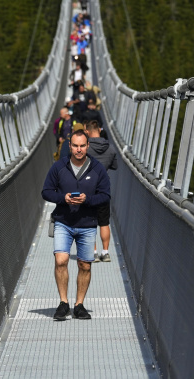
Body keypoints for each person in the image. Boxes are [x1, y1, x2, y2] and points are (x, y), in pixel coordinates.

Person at [41, 129, 110, 321]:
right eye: (75, 146)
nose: (79, 150)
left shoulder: (98, 169)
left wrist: (87, 200)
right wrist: (63, 198)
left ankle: (79, 305)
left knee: (85, 266)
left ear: (88, 146)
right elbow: (46, 192)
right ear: (69, 146)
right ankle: (63, 303)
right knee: (61, 260)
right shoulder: (58, 167)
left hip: (87, 224)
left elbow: (105, 196)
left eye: (82, 146)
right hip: (63, 221)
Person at [84, 119, 117, 262]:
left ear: (87, 131)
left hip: (89, 189)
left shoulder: (86, 148)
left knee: (90, 222)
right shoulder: (110, 148)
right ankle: (106, 253)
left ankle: (94, 253)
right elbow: (114, 166)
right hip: (104, 189)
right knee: (104, 222)